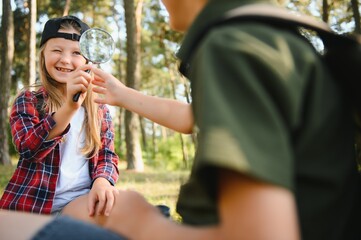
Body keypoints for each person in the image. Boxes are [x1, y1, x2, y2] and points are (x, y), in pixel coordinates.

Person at [1, 0, 361, 239]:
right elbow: (196, 117)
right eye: (57, 51)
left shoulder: (232, 48)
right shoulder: (270, 37)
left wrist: (144, 222)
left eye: (75, 51)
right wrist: (121, 94)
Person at [0, 16, 119, 220]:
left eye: (76, 53)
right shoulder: (28, 99)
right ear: (43, 55)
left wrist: (103, 180)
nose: (65, 59)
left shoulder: (98, 106)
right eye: (57, 50)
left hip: (80, 201)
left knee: (126, 209)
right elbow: (29, 149)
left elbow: (107, 154)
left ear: (87, 60)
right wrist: (70, 107)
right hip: (32, 206)